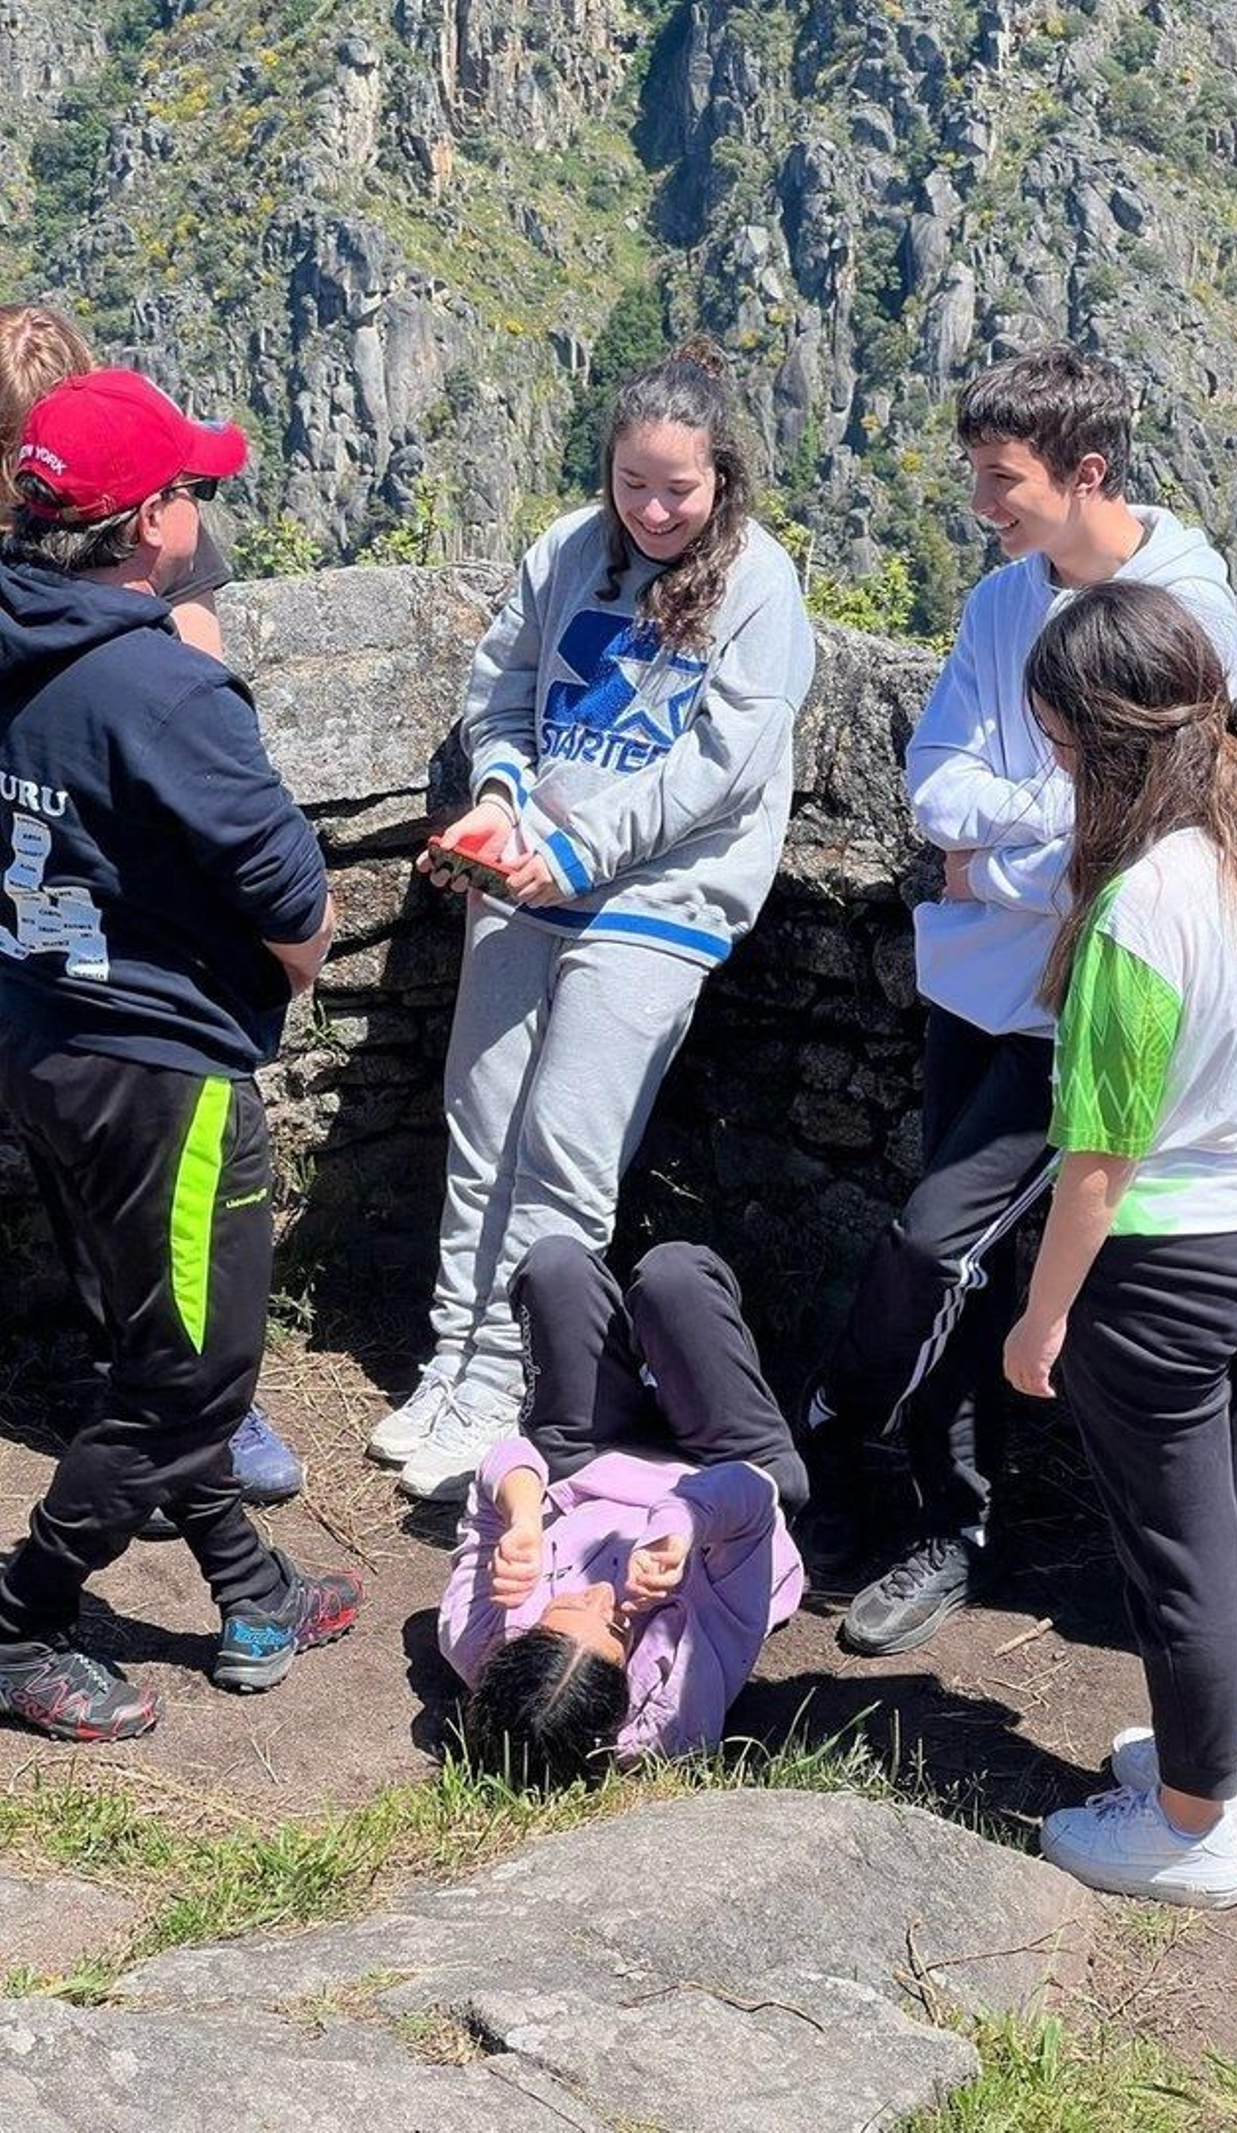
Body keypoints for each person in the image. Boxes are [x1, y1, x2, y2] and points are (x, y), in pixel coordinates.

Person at [800, 344, 1237, 1658]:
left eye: (1002, 480)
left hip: (1083, 1009)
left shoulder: (1187, 617)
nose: (981, 504)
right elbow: (933, 784)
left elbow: (1178, 834)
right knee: (959, 1263)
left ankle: (845, 1450)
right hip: (974, 988)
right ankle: (948, 1518)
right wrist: (1039, 829)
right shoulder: (1004, 601)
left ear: (1086, 472)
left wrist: (997, 863)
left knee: (935, 1245)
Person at [368, 340, 815, 1505]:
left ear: (722, 477)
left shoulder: (761, 587)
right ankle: (455, 1361)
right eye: (633, 485)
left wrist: (576, 853)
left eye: (679, 489)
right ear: (607, 472)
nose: (654, 511)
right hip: (526, 872)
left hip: (657, 898)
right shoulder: (568, 550)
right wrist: (502, 795)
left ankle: (517, 1390)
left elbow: (721, 765)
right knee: (483, 1127)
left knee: (565, 1149)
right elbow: (501, 689)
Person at [1000, 579, 1237, 1906]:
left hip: (1165, 1262)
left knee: (1176, 1552)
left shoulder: (1145, 902)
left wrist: (1042, 1317)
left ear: (1103, 739)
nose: (1053, 763)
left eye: (1057, 740)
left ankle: (1188, 1825)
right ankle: (1221, 1769)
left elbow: (1100, 1159)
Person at [0, 369, 361, 1741]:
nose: (204, 507)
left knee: (155, 1337)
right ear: (149, 521)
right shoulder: (165, 687)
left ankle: (252, 1588)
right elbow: (298, 912)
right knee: (193, 1377)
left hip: (41, 1034)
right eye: (193, 488)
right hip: (162, 1074)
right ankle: (20, 1617)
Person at [0, 301, 304, 1511]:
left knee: (132, 1196)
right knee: (114, 1192)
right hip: (78, 961)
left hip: (98, 915)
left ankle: (189, 1426)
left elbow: (196, 692)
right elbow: (291, 893)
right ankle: (163, 1420)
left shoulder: (146, 561)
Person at [439, 1236, 805, 1785]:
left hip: (589, 1464)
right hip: (728, 1476)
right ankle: (684, 1368)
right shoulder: (678, 1699)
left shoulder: (476, 1638)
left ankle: (650, 1372)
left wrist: (521, 1517)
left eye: (564, 1606)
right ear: (622, 1696)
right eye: (617, 1627)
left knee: (554, 1268)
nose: (602, 1595)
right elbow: (753, 1500)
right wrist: (683, 1524)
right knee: (672, 1278)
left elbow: (503, 1461)